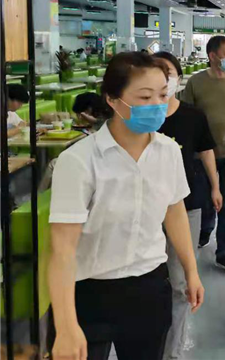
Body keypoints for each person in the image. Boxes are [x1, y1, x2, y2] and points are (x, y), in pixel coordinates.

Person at [48, 52, 204, 360]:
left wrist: (191, 271)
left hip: (149, 288)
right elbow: (62, 248)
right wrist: (65, 325)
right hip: (91, 291)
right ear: (112, 99)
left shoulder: (169, 152)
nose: (157, 104)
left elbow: (174, 212)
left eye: (162, 95)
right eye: (144, 97)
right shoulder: (78, 161)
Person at [153, 51, 222, 360]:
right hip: (146, 207)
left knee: (181, 281)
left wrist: (216, 186)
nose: (163, 78)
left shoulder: (193, 116)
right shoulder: (139, 118)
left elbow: (206, 151)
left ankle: (173, 351)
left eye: (168, 72)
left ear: (178, 78)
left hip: (186, 204)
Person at [181, 35, 225, 276]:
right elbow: (187, 116)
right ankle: (204, 232)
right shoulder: (196, 83)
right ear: (212, 56)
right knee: (205, 200)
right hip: (201, 155)